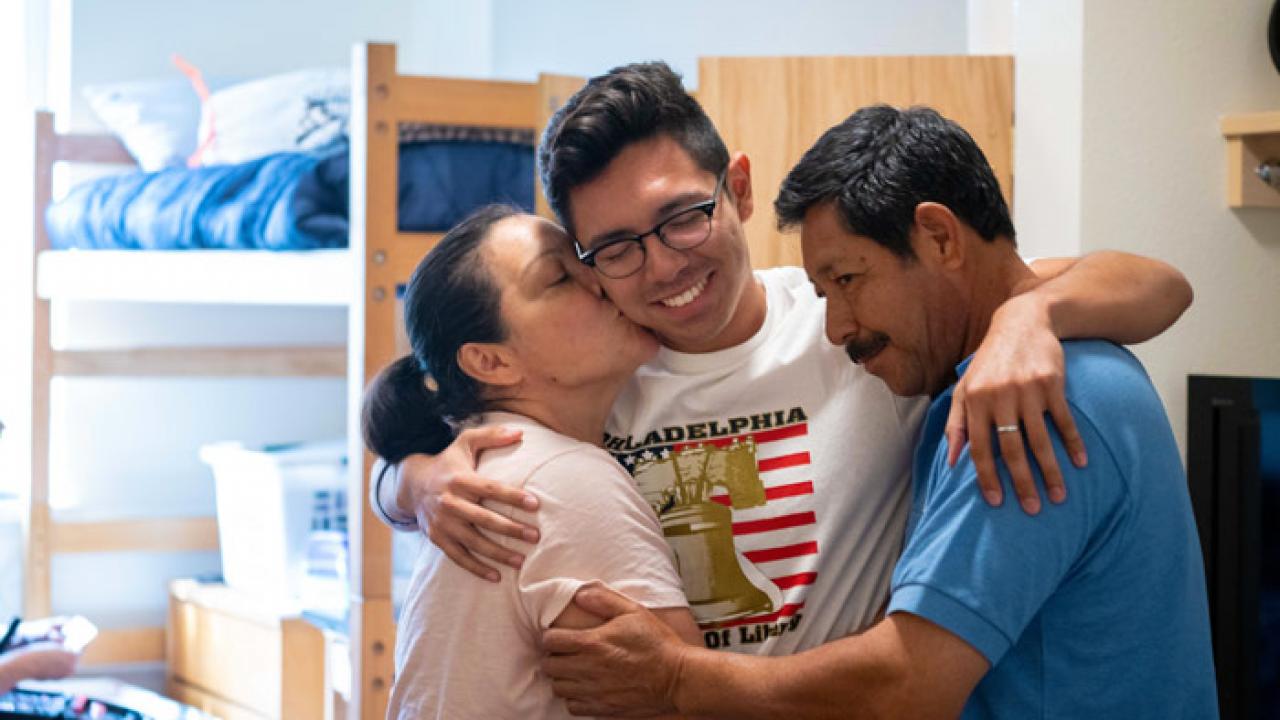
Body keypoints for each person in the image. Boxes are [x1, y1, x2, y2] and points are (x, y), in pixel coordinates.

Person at [372, 62, 1193, 656]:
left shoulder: (859, 324)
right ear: (586, 260)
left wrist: (1029, 313)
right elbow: (415, 418)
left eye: (684, 217)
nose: (662, 267)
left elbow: (1159, 286)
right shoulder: (591, 374)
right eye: (617, 247)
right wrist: (411, 483)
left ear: (738, 187)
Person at [539, 105, 1216, 719]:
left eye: (847, 281)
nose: (837, 325)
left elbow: (909, 683)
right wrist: (427, 479)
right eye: (619, 249)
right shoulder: (594, 379)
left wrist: (675, 679)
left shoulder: (1024, 394)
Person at [361, 205, 699, 718]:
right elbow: (687, 704)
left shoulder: (497, 461)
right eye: (561, 276)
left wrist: (408, 480)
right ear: (491, 362)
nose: (602, 280)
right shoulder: (560, 481)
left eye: (587, 259)